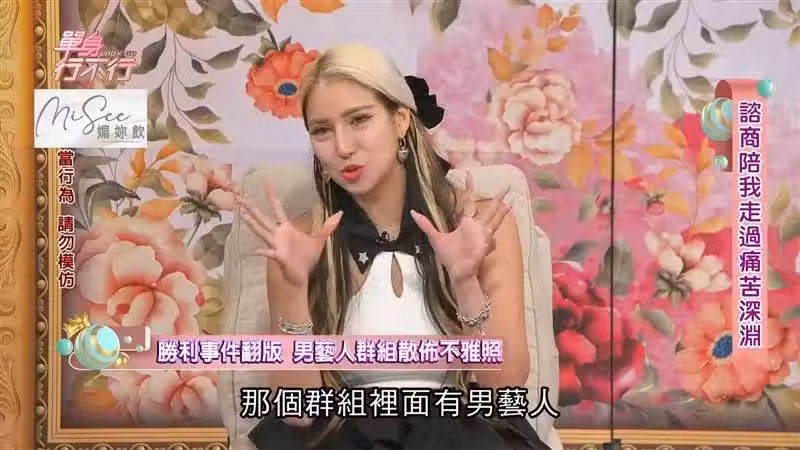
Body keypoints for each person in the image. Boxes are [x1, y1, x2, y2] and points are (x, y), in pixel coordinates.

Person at [237, 42, 550, 450]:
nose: (342, 146)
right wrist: (295, 289)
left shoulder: (480, 224)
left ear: (400, 120)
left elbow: (503, 387)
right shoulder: (296, 241)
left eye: (360, 120)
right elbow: (298, 413)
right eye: (322, 130)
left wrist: (465, 282)